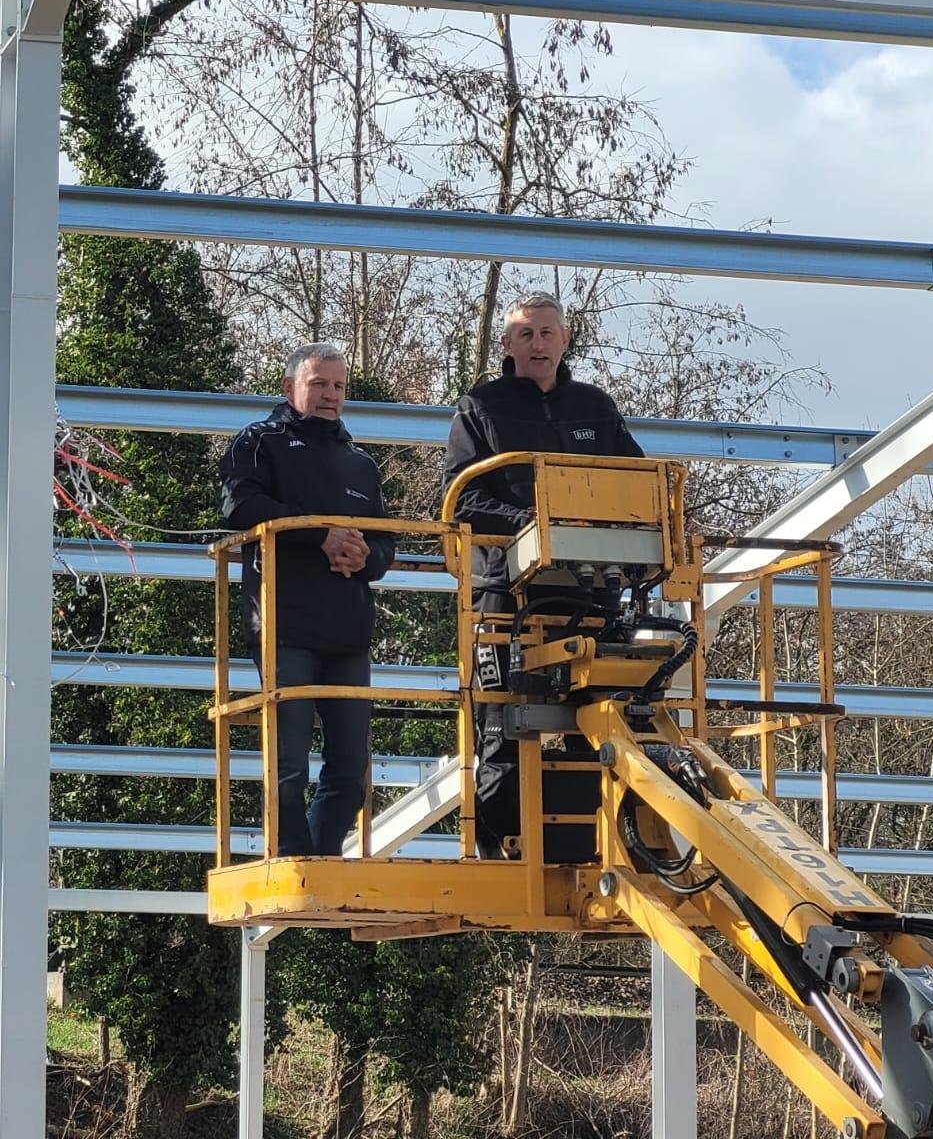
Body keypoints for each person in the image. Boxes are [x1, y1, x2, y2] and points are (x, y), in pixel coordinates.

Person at [443, 291, 643, 858]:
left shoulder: (595, 407)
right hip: (503, 594)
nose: (537, 344)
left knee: (600, 719)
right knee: (502, 724)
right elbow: (460, 498)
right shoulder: (480, 407)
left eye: (546, 333)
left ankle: (595, 847)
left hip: (588, 590)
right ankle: (501, 852)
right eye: (526, 334)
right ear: (507, 344)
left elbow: (638, 483)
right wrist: (532, 523)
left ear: (565, 340)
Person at [219, 343, 395, 857]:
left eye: (339, 386)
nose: (330, 395)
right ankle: (292, 862)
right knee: (288, 761)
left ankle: (321, 859)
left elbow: (386, 543)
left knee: (352, 768)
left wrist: (365, 556)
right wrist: (321, 536)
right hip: (284, 627)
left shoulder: (361, 463)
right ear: (289, 388)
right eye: (319, 384)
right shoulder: (259, 441)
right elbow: (239, 504)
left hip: (348, 634)